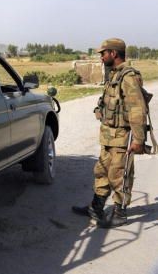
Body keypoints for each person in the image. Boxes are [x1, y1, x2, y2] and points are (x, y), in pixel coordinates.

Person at [72, 38, 148, 228]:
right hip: (108, 137)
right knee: (101, 172)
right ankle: (96, 207)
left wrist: (138, 139)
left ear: (113, 53)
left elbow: (137, 109)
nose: (101, 57)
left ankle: (120, 213)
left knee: (119, 175)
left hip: (122, 138)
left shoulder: (128, 77)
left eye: (103, 53)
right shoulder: (114, 74)